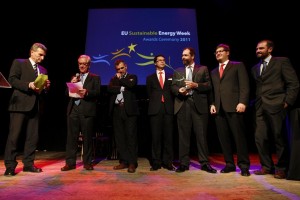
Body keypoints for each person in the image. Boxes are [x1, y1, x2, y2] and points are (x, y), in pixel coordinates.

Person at [251, 39, 299, 179]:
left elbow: (293, 83)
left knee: (279, 137)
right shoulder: (255, 68)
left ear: (270, 49)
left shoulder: (281, 61)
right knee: (260, 137)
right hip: (260, 106)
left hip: (277, 104)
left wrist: (287, 102)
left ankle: (282, 168)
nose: (258, 51)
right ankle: (266, 166)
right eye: (257, 49)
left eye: (261, 48)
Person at [4, 43, 50, 176]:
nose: (42, 58)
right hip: (19, 104)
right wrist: (28, 85)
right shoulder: (19, 62)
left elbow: (42, 90)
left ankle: (28, 164)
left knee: (32, 137)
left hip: (35, 106)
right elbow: (12, 80)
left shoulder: (43, 70)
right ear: (32, 52)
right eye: (40, 55)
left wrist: (46, 87)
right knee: (14, 137)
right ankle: (10, 166)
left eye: (44, 56)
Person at [171, 47, 216, 173]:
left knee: (201, 136)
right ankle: (183, 163)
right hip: (183, 105)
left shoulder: (202, 69)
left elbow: (208, 86)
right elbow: (173, 86)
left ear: (192, 56)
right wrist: (178, 91)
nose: (183, 57)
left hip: (199, 105)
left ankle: (205, 163)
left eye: (185, 55)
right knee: (183, 136)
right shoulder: (178, 71)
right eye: (182, 55)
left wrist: (196, 85)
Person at [209, 44, 251, 176]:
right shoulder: (213, 72)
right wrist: (212, 104)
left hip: (234, 107)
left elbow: (244, 85)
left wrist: (242, 102)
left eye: (221, 51)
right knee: (224, 138)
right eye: (216, 52)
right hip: (219, 109)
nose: (218, 53)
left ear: (228, 53)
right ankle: (229, 164)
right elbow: (213, 90)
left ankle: (244, 166)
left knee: (239, 138)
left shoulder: (238, 65)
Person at [61, 55, 101, 171]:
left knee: (87, 138)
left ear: (89, 65)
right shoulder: (75, 77)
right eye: (80, 64)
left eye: (84, 64)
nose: (82, 66)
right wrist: (71, 84)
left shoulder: (95, 78)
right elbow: (66, 93)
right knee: (71, 138)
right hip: (73, 109)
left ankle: (87, 162)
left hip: (87, 110)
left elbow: (97, 92)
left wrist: (87, 92)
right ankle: (70, 163)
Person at [107, 59, 139, 173]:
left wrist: (121, 80)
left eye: (121, 68)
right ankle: (124, 161)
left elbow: (131, 84)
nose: (119, 71)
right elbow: (109, 88)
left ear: (125, 67)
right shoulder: (113, 79)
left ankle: (132, 163)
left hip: (129, 111)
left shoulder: (132, 76)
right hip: (117, 110)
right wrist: (121, 88)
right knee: (120, 138)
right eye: (117, 69)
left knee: (131, 137)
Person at [146, 55, 175, 171]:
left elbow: (173, 92)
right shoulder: (150, 78)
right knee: (156, 137)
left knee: (168, 137)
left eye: (163, 60)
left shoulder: (170, 76)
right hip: (155, 110)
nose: (162, 62)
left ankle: (168, 162)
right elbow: (149, 94)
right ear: (155, 63)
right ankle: (156, 162)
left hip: (168, 109)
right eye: (160, 60)